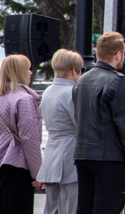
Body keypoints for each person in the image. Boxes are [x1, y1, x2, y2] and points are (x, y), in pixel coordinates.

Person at [73, 31, 125, 214]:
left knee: (85, 208)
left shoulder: (81, 80)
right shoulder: (117, 81)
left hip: (83, 156)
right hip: (110, 159)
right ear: (118, 54)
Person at [37, 49, 84, 214]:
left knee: (51, 208)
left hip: (51, 154)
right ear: (73, 70)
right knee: (71, 207)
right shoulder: (72, 92)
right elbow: (80, 125)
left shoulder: (47, 92)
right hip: (70, 155)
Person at [0, 54, 42, 213]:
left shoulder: (1, 97)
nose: (31, 72)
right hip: (18, 165)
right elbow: (30, 139)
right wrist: (38, 173)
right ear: (20, 71)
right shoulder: (24, 100)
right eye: (28, 69)